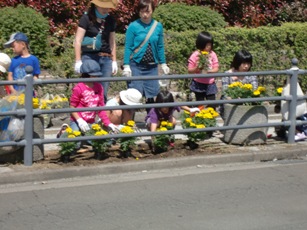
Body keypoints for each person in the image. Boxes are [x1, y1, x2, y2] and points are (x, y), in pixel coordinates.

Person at [122, 0, 170, 110]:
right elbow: (128, 46)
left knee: (152, 95)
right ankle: (130, 123)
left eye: (148, 11)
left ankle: (151, 120)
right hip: (136, 64)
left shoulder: (158, 26)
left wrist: (163, 64)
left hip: (152, 65)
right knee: (133, 95)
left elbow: (160, 46)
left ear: (152, 11)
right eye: (142, 11)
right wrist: (126, 65)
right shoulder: (133, 26)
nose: (145, 14)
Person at [74, 0, 118, 100]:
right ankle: (87, 114)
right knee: (88, 90)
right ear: (96, 5)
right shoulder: (86, 18)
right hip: (89, 57)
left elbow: (112, 41)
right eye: (103, 7)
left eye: (107, 7)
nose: (105, 9)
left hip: (106, 58)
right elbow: (78, 40)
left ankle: (101, 114)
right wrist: (78, 60)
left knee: (103, 91)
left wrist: (114, 60)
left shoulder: (110, 20)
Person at [69, 59, 117, 136]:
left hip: (90, 121)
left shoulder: (99, 87)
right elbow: (72, 107)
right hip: (77, 120)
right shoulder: (79, 88)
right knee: (74, 139)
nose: (96, 77)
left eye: (97, 75)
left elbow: (101, 108)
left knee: (97, 140)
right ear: (86, 74)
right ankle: (63, 132)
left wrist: (108, 123)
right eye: (93, 75)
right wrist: (79, 120)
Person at [188, 31, 219, 108]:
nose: (209, 47)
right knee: (199, 106)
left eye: (210, 44)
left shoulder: (212, 54)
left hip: (210, 83)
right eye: (207, 45)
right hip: (198, 83)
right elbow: (189, 70)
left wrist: (208, 71)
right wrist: (197, 68)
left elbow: (216, 68)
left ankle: (211, 118)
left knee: (212, 105)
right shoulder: (195, 54)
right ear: (201, 44)